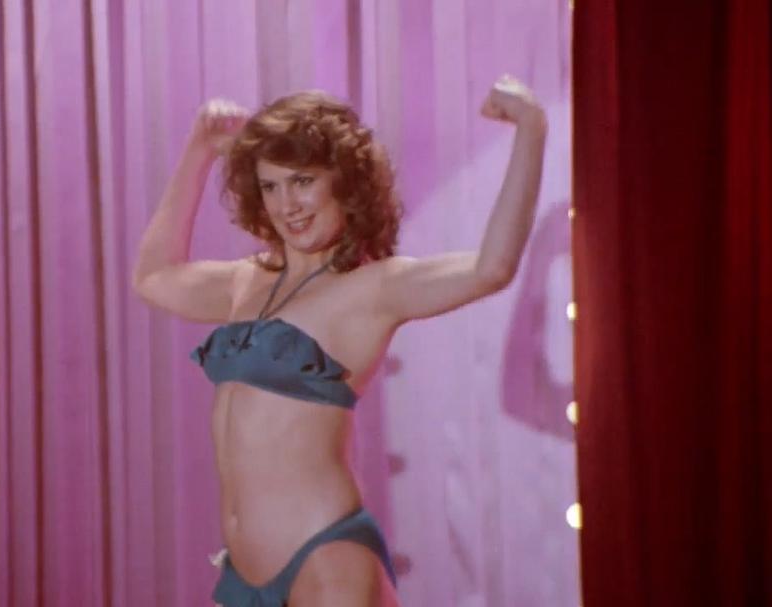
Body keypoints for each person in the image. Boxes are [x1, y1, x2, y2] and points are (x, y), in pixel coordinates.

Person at [132, 75, 547, 607]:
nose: (287, 204)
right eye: (271, 186)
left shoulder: (374, 288)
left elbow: (492, 269)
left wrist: (531, 128)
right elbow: (154, 276)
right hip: (244, 576)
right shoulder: (246, 281)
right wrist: (198, 152)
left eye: (303, 181)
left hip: (324, 561)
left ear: (345, 184)